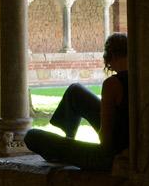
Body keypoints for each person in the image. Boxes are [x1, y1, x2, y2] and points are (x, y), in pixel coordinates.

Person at [24, 33, 128, 172]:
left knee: (32, 136)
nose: (110, 68)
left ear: (112, 56)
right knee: (75, 91)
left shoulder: (112, 84)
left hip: (112, 156)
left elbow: (106, 139)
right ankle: (68, 138)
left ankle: (65, 146)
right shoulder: (143, 79)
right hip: (126, 144)